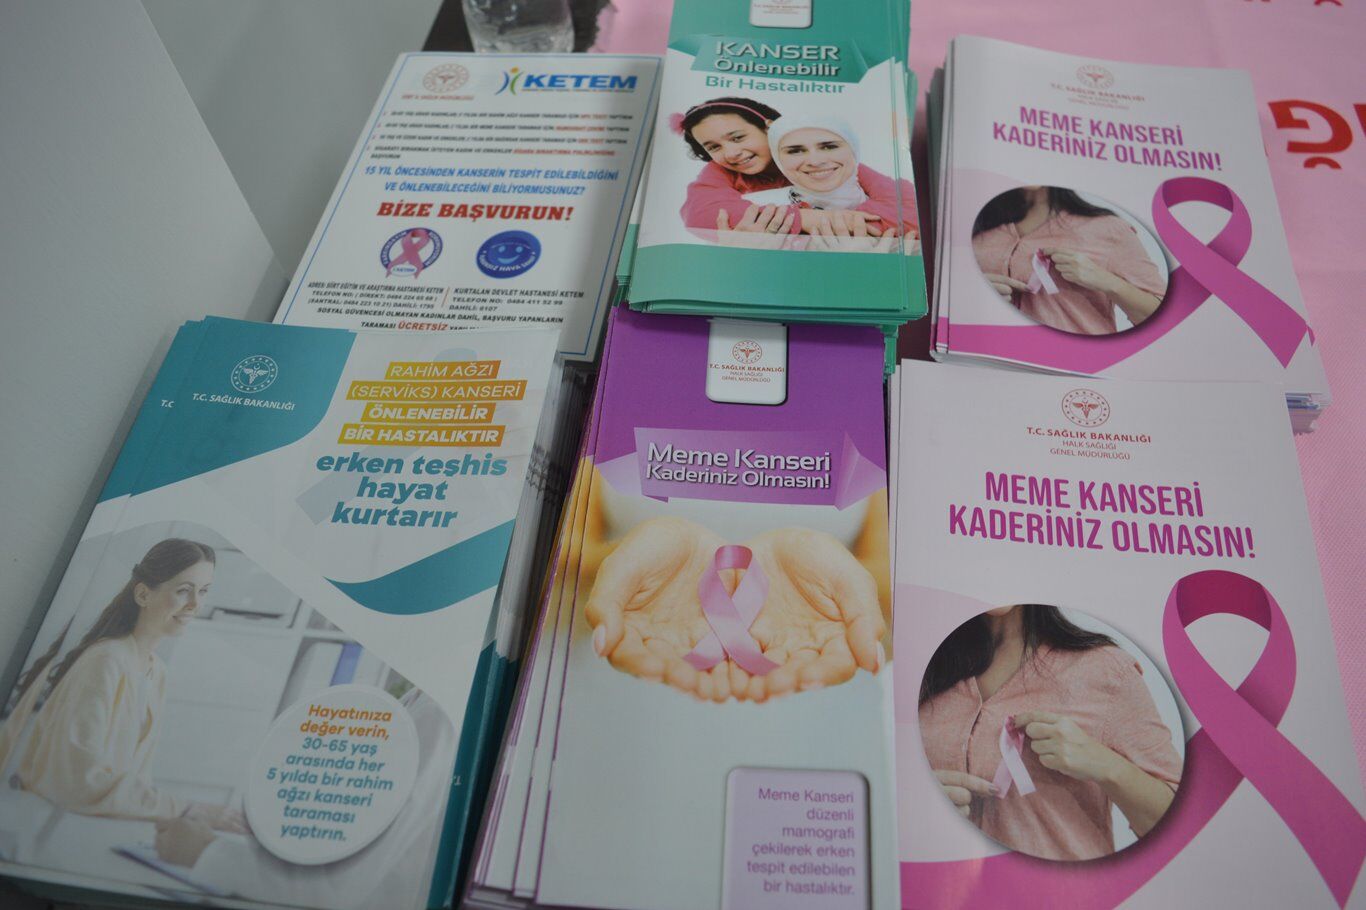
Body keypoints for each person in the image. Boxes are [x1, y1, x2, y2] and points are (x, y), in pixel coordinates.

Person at [0, 538, 240, 829]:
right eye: (183, 591)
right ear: (143, 594)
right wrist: (186, 809)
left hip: (86, 826)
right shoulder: (106, 660)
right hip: (36, 827)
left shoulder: (156, 671)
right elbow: (76, 780)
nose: (195, 604)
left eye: (203, 591)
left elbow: (134, 780)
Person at [918, 605, 1181, 861]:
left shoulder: (1106, 671)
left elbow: (1182, 826)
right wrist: (916, 802)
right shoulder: (917, 670)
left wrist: (1105, 765)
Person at [674, 97, 898, 238]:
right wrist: (810, 219)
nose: (731, 153)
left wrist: (852, 228)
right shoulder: (721, 171)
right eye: (714, 147)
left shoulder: (821, 160)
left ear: (769, 127)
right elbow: (698, 215)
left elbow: (902, 205)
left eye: (738, 137)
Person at [971, 186, 1167, 334]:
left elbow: (1164, 320)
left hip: (1076, 367)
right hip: (988, 363)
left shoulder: (1108, 228)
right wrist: (974, 294)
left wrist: (1108, 282)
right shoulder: (975, 233)